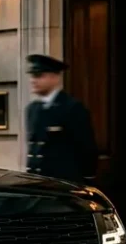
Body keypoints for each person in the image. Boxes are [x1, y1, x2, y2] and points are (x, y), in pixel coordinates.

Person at [26, 54, 97, 183]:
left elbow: (86, 149)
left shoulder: (72, 108)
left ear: (55, 78)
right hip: (37, 183)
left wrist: (87, 179)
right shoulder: (32, 109)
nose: (33, 80)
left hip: (63, 183)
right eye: (32, 76)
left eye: (39, 75)